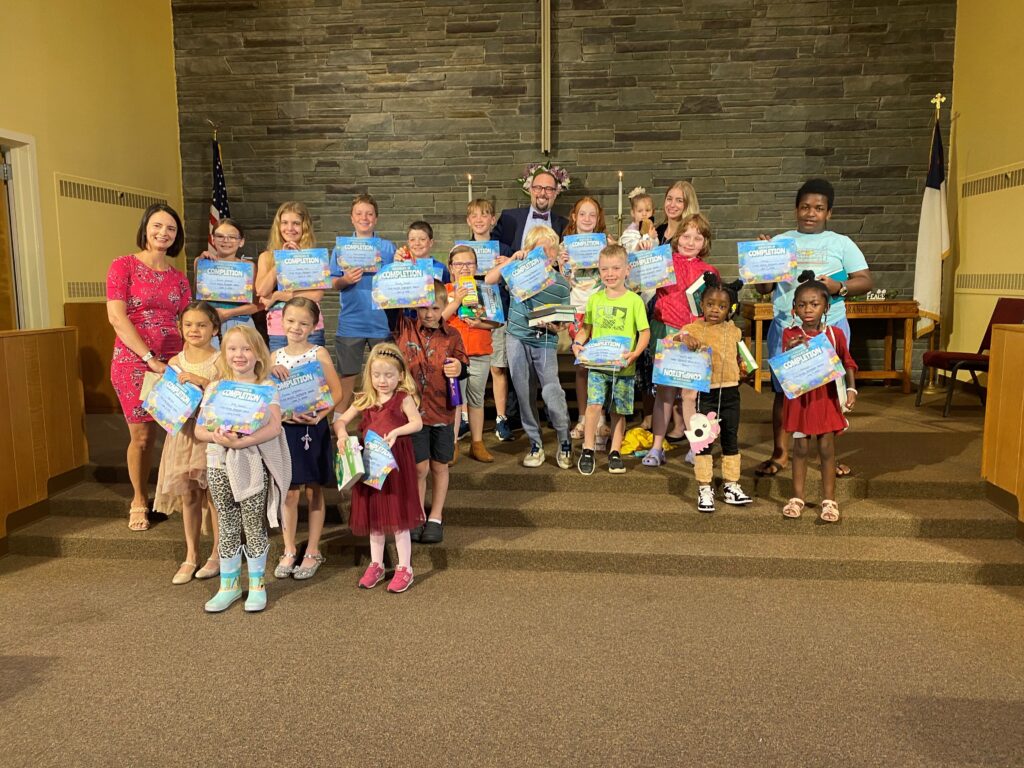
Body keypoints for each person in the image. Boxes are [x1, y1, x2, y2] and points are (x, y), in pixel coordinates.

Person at [753, 178, 873, 480]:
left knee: (829, 396)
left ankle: (828, 458)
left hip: (828, 330)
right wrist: (763, 259)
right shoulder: (780, 241)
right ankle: (780, 453)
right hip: (787, 329)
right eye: (805, 207)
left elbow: (865, 280)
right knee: (784, 393)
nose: (811, 213)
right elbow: (765, 289)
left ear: (829, 213)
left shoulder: (841, 243)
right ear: (796, 209)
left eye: (818, 208)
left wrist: (840, 286)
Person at [106, 203, 192, 532]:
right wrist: (147, 358)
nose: (163, 233)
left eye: (170, 228)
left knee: (178, 430)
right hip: (134, 361)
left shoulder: (179, 279)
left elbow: (188, 322)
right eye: (157, 226)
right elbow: (117, 317)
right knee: (142, 437)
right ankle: (139, 498)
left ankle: (179, 495)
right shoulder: (123, 266)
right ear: (145, 228)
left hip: (173, 362)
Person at [196, 325, 291, 613]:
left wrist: (244, 442)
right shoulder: (215, 387)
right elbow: (200, 428)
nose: (239, 354)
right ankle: (229, 585)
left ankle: (257, 584)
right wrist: (216, 437)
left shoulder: (266, 387)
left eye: (246, 348)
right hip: (217, 462)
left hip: (251, 462)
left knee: (253, 522)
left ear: (258, 354)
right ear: (224, 354)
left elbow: (275, 426)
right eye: (233, 349)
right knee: (226, 522)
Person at [333, 343, 424, 593]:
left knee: (398, 516)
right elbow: (340, 420)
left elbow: (417, 423)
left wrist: (396, 431)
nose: (382, 381)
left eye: (388, 375)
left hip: (395, 465)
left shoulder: (403, 399)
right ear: (369, 375)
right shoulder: (365, 399)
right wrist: (341, 434)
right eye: (376, 375)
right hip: (371, 463)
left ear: (401, 376)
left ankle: (405, 567)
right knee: (374, 516)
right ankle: (376, 564)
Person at [484, 225, 573, 470]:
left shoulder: (560, 284)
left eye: (550, 249)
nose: (546, 253)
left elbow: (564, 321)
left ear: (555, 253)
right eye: (539, 249)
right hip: (516, 337)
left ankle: (564, 439)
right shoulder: (517, 273)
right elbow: (489, 280)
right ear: (529, 251)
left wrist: (556, 327)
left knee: (552, 391)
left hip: (544, 340)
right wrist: (513, 259)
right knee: (523, 393)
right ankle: (535, 443)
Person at [269, 297, 343, 581]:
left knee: (314, 489)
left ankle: (312, 549)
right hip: (285, 430)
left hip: (314, 428)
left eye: (303, 323)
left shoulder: (319, 353)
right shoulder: (274, 358)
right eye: (290, 321)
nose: (296, 327)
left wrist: (319, 415)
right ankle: (289, 548)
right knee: (288, 491)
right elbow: (269, 398)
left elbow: (336, 394)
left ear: (314, 325)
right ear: (281, 321)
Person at [389, 281, 469, 544]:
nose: (429, 313)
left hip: (443, 410)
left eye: (435, 307)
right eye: (423, 307)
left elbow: (463, 366)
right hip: (412, 415)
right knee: (419, 467)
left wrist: (458, 367)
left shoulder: (453, 335)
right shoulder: (404, 328)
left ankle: (436, 516)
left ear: (445, 307)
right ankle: (417, 515)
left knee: (439, 465)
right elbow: (390, 302)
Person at [779, 272, 859, 523]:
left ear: (826, 306)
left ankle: (829, 500)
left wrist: (852, 389)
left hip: (825, 400)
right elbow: (784, 365)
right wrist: (793, 348)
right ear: (794, 308)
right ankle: (797, 497)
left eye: (814, 304)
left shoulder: (835, 334)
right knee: (800, 448)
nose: (807, 310)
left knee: (826, 449)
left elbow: (848, 362)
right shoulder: (789, 334)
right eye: (801, 305)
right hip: (801, 400)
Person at [643, 213, 720, 468]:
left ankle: (695, 447)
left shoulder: (709, 271)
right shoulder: (664, 262)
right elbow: (638, 280)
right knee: (664, 394)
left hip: (696, 338)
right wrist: (644, 253)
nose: (690, 241)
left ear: (704, 242)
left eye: (697, 237)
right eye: (686, 236)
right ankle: (657, 447)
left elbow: (716, 308)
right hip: (668, 332)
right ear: (677, 238)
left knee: (690, 395)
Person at [153, 301, 222, 583]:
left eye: (202, 325)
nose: (195, 330)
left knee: (215, 496)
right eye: (189, 325)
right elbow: (165, 401)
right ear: (180, 328)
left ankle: (218, 554)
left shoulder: (222, 360)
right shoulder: (174, 362)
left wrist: (203, 382)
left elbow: (226, 398)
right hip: (182, 436)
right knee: (189, 495)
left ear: (214, 328)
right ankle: (191, 554)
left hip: (210, 437)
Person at [675, 274, 754, 513]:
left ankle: (731, 484)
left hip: (731, 391)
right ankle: (705, 486)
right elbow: (675, 341)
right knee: (704, 442)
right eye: (710, 304)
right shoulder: (691, 329)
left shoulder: (734, 331)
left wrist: (746, 369)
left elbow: (742, 356)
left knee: (731, 438)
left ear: (730, 308)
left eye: (722, 306)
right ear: (702, 305)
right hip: (705, 394)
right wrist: (684, 338)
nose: (715, 310)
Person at [572, 245, 650, 475]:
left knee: (619, 411)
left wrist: (635, 353)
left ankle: (615, 451)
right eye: (605, 269)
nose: (610, 273)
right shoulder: (595, 300)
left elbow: (644, 332)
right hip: (597, 366)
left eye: (616, 268)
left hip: (624, 368)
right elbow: (586, 329)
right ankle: (588, 449)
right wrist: (578, 343)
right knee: (593, 405)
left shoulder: (634, 301)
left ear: (627, 270)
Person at [330, 194, 397, 411]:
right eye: (359, 213)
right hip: (351, 322)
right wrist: (344, 280)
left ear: (376, 218)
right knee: (348, 375)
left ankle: (383, 420)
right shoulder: (341, 248)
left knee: (385, 375)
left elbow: (398, 279)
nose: (364, 217)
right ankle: (339, 424)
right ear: (352, 218)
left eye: (369, 213)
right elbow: (331, 282)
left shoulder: (388, 248)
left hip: (382, 321)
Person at [561, 196, 615, 443]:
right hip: (577, 309)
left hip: (601, 308)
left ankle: (601, 417)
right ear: (574, 216)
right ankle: (583, 417)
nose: (587, 219)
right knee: (582, 364)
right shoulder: (564, 245)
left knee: (600, 364)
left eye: (592, 215)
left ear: (598, 218)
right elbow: (563, 281)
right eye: (582, 214)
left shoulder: (607, 244)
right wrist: (562, 263)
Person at [443, 245, 501, 463]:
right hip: (454, 356)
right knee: (456, 400)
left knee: (476, 399)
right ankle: (453, 444)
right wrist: (456, 301)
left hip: (479, 352)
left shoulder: (486, 290)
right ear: (451, 267)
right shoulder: (445, 290)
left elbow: (496, 322)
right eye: (459, 264)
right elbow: (436, 319)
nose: (465, 268)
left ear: (476, 266)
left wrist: (480, 323)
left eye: (469, 263)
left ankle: (477, 443)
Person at [466, 198, 516, 442]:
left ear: (492, 220)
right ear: (468, 221)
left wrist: (507, 267)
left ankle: (500, 418)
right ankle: (465, 417)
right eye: (474, 216)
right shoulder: (462, 250)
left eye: (484, 215)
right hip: (469, 316)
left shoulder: (504, 249)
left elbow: (513, 284)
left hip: (497, 314)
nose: (479, 220)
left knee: (497, 367)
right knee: (467, 368)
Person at [255, 202, 325, 352]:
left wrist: (277, 295)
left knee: (313, 375)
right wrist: (281, 260)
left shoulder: (314, 256)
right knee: (280, 374)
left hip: (311, 328)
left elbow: (316, 295)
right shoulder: (266, 257)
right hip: (278, 329)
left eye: (296, 223)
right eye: (285, 223)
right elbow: (261, 290)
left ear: (304, 227)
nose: (290, 228)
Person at [619, 188, 659, 430]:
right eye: (640, 211)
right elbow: (634, 251)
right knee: (639, 354)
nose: (644, 214)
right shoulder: (629, 235)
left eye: (648, 210)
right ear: (633, 213)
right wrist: (646, 240)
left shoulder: (653, 234)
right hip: (636, 294)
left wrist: (651, 239)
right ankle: (634, 410)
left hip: (652, 292)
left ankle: (654, 412)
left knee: (651, 355)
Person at [197, 218, 261, 348]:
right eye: (220, 236)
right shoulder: (202, 263)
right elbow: (197, 300)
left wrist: (227, 314)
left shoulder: (249, 267)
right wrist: (201, 264)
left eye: (232, 237)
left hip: (241, 325)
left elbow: (258, 305)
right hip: (211, 326)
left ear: (241, 241)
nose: (226, 241)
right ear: (213, 239)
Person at [491, 167, 568, 251]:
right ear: (530, 190)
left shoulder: (564, 225)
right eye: (538, 188)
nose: (542, 193)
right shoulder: (508, 218)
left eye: (548, 189)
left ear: (555, 193)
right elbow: (491, 247)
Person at [655, 180, 700, 246]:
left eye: (679, 201)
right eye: (669, 199)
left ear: (689, 205)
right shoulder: (658, 230)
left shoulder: (689, 235)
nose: (672, 205)